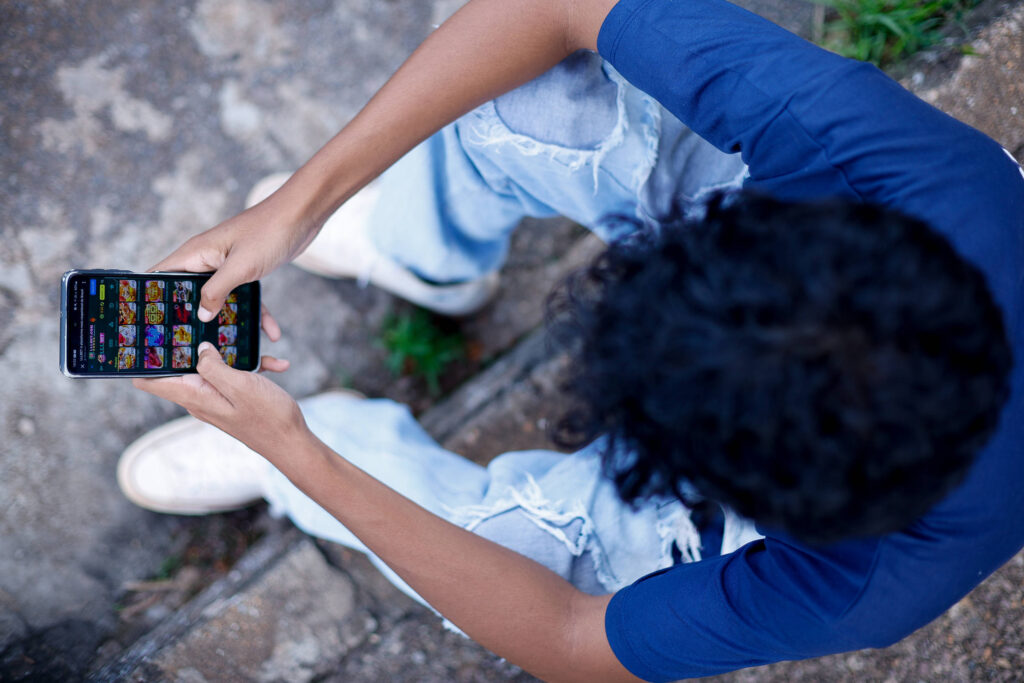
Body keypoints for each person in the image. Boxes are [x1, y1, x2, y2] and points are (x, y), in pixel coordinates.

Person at [118, 0, 1024, 679]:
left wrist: (298, 451)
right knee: (527, 92)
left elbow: (565, 638)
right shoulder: (907, 170)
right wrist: (298, 206)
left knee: (513, 571)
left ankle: (314, 455)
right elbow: (562, 4)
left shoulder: (879, 573)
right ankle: (419, 247)